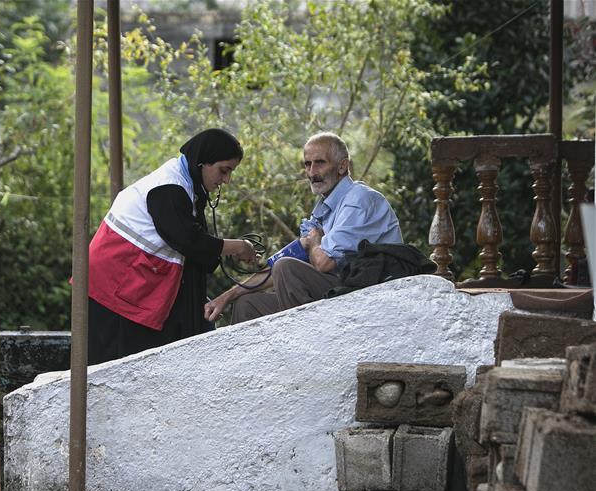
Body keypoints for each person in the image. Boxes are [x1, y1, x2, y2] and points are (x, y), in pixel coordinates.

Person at [87, 128, 256, 364]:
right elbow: (189, 241)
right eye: (223, 170)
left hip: (134, 278)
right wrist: (239, 247)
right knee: (116, 362)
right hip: (116, 281)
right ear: (202, 162)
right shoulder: (169, 187)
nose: (226, 180)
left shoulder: (185, 185)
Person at [204, 131, 402, 324]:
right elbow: (278, 264)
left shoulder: (359, 199)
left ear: (342, 166)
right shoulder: (324, 208)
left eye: (320, 163)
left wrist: (313, 242)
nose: (312, 173)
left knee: (286, 268)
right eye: (308, 164)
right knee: (247, 305)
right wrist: (227, 297)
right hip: (339, 293)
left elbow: (323, 263)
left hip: (370, 295)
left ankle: (305, 341)